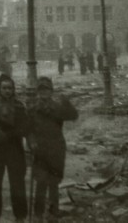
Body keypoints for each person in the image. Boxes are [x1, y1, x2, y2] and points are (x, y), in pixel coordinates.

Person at [27, 76, 78, 222]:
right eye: (41, 89)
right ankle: (38, 213)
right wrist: (31, 142)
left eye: (47, 89)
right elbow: (27, 129)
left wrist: (67, 102)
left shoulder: (57, 107)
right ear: (38, 91)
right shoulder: (32, 109)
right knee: (41, 181)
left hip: (56, 148)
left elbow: (73, 116)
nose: (44, 92)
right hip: (40, 150)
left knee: (54, 181)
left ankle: (53, 211)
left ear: (51, 91)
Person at [0, 74, 28, 223]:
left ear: (14, 89)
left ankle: (20, 217)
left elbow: (23, 128)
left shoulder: (20, 106)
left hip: (15, 149)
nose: (7, 91)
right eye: (4, 88)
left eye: (10, 88)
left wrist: (6, 135)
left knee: (17, 184)